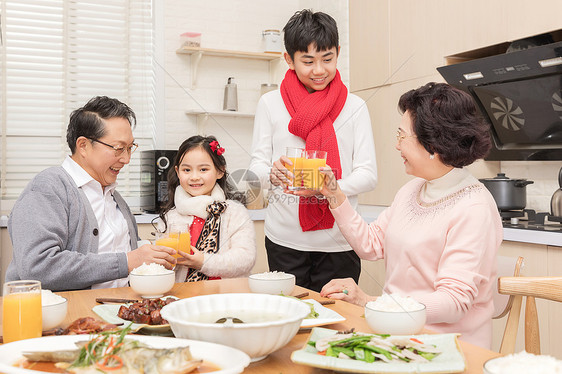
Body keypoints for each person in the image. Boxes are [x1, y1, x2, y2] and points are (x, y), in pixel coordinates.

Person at [317, 82, 503, 349]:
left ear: (433, 144)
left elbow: (454, 302)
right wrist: (332, 192)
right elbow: (370, 245)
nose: (396, 145)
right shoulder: (412, 189)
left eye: (402, 135)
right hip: (395, 335)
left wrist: (370, 302)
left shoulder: (474, 207)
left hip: (447, 348)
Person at [248, 9, 377, 292]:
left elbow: (368, 175)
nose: (319, 70)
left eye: (327, 59)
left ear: (338, 53)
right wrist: (272, 173)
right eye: (308, 61)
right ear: (289, 60)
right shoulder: (270, 104)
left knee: (338, 325)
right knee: (289, 321)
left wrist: (329, 187)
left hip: (341, 241)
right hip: (285, 241)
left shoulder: (355, 107)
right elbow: (256, 168)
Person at [6, 96, 177, 291]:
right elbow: (38, 267)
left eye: (130, 148)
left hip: (117, 310)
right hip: (70, 315)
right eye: (119, 148)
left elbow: (122, 254)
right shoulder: (48, 187)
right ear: (83, 146)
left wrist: (151, 253)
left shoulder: (114, 198)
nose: (126, 159)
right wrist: (127, 261)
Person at [157, 135, 256, 283]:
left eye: (203, 169)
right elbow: (161, 266)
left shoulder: (234, 213)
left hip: (227, 296)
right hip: (184, 298)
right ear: (177, 172)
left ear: (220, 171)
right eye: (187, 170)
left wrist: (204, 261)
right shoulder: (170, 217)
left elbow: (245, 258)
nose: (194, 177)